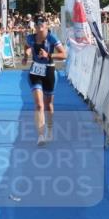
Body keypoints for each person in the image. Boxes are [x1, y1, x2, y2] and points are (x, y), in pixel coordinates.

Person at [24, 17, 67, 145]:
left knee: (48, 105)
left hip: (49, 71)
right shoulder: (30, 38)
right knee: (39, 104)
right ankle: (41, 135)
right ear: (34, 26)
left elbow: (64, 54)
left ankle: (49, 128)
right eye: (37, 23)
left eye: (42, 23)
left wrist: (48, 55)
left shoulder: (52, 38)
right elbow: (27, 46)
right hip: (35, 71)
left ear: (46, 25)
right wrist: (26, 55)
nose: (39, 25)